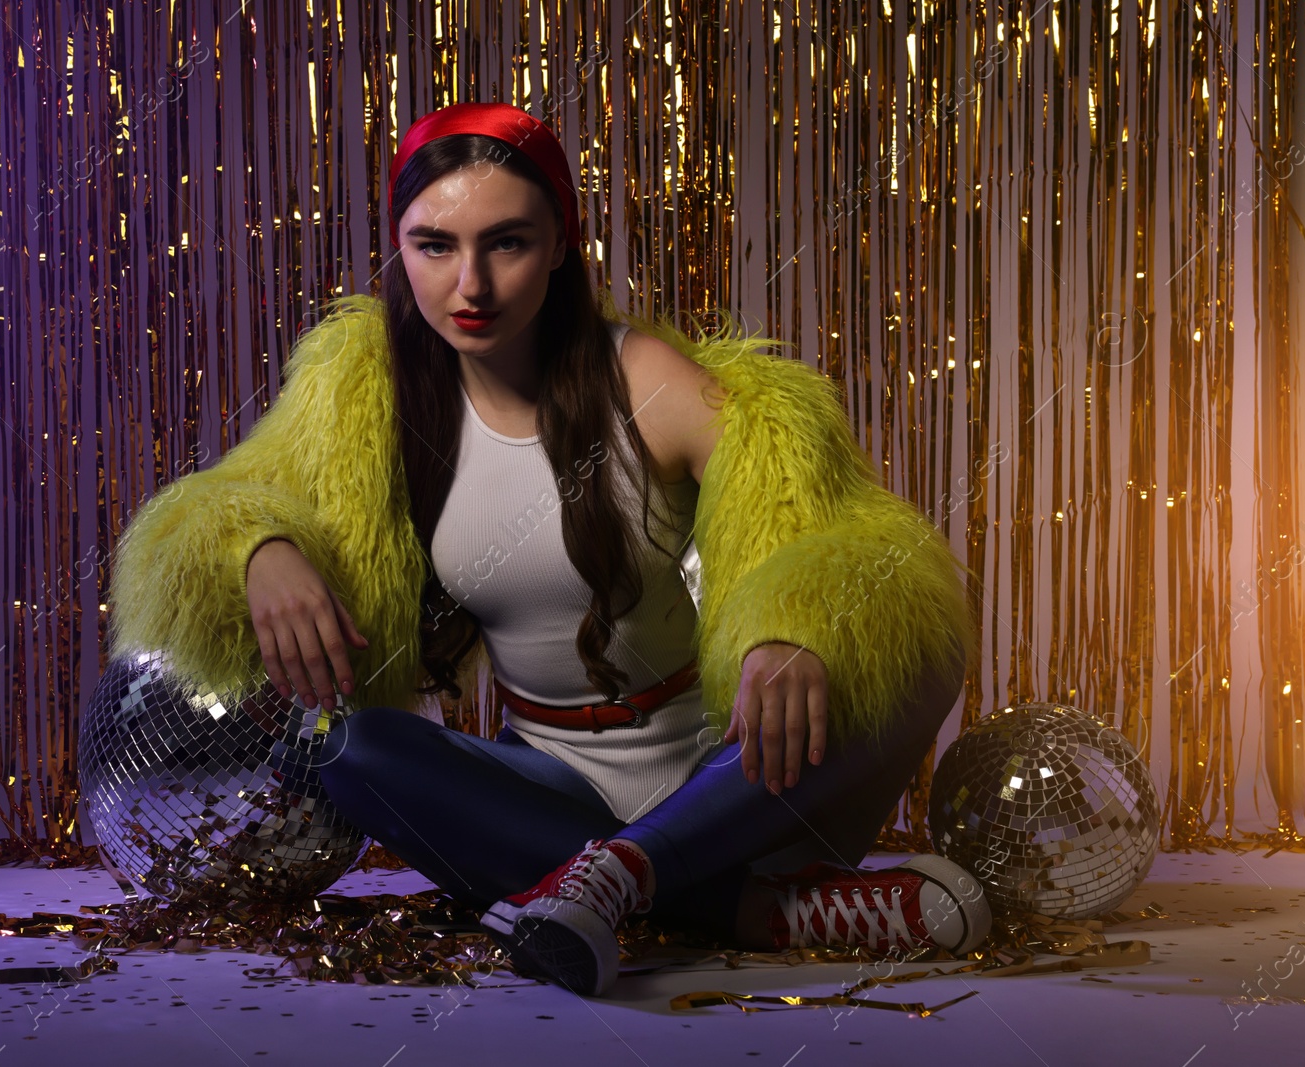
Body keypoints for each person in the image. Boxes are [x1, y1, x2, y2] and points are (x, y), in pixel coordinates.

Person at [107, 102, 989, 998]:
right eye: (435, 245)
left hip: (737, 773)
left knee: (915, 636)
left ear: (562, 243)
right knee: (351, 749)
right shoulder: (364, 396)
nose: (471, 285)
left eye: (508, 243)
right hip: (549, 790)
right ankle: (748, 908)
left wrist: (796, 625)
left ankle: (624, 876)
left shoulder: (643, 379)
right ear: (399, 247)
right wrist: (260, 547)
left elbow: (832, 527)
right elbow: (210, 509)